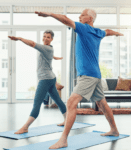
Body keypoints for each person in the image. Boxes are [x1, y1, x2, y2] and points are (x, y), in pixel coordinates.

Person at [35, 9, 123, 149]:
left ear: (90, 18)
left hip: (88, 75)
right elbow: (108, 31)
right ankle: (114, 130)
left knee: (71, 102)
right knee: (103, 104)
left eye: (82, 15)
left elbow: (65, 19)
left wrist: (50, 14)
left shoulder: (84, 28)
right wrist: (117, 33)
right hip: (95, 75)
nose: (79, 17)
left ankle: (63, 139)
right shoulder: (98, 32)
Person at [8, 30, 67, 134]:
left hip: (45, 79)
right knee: (58, 100)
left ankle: (26, 127)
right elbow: (48, 54)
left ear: (52, 39)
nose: (45, 38)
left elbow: (32, 43)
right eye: (44, 36)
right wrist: (54, 57)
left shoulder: (45, 48)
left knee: (37, 103)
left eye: (48, 37)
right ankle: (67, 120)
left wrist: (19, 38)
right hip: (50, 78)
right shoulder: (48, 48)